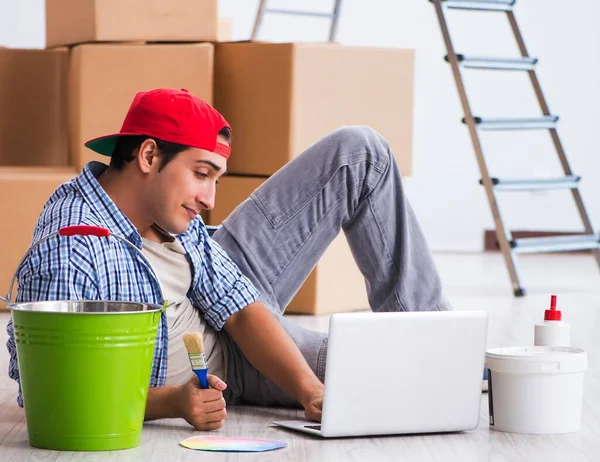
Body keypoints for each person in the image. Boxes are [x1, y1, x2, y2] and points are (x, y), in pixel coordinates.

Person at [6, 88, 449, 430]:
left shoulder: (169, 210)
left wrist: (310, 391)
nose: (210, 199)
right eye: (201, 174)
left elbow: (238, 309)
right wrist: (173, 402)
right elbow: (51, 393)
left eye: (215, 178)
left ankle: (444, 342)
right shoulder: (69, 253)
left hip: (226, 307)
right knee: (389, 373)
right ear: (147, 155)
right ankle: (455, 363)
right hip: (225, 369)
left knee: (360, 151)